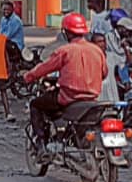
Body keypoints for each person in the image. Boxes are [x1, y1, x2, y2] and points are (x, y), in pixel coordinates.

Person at [24, 12, 108, 160]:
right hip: (92, 99)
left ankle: (42, 144)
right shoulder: (97, 51)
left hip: (68, 98)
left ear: (67, 32)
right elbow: (104, 73)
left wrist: (28, 76)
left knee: (36, 105)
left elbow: (44, 68)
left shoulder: (64, 51)